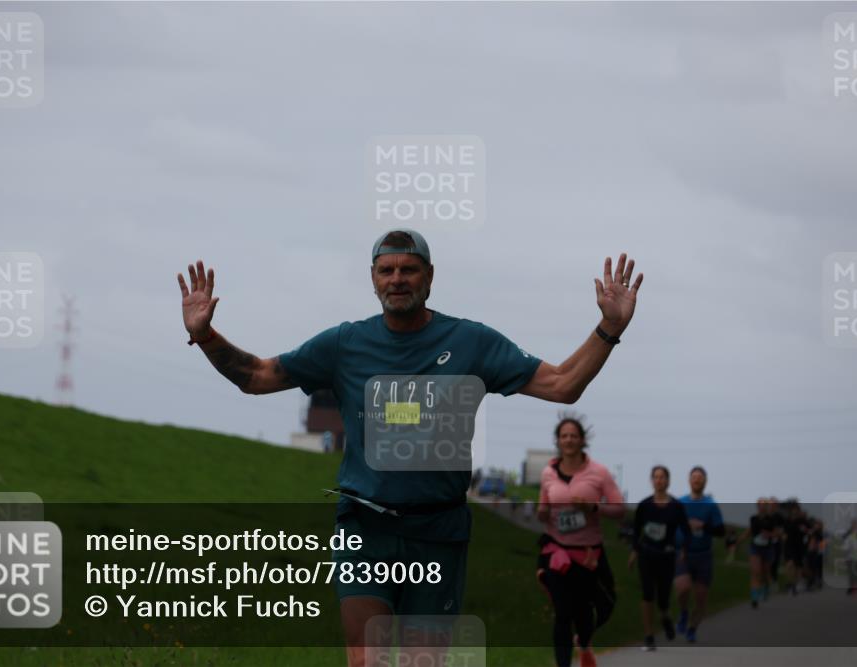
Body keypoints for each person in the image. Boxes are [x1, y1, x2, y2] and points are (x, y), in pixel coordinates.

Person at [177, 229, 644, 667]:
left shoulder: (471, 342)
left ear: (430, 276)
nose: (397, 279)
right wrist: (205, 336)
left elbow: (563, 385)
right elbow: (258, 377)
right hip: (364, 525)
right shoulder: (346, 344)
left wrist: (608, 328)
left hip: (437, 532)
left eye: (409, 269)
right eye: (387, 270)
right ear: (374, 278)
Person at [537, 416, 625, 667]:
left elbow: (619, 510)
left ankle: (584, 642)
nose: (568, 440)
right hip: (557, 552)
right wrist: (542, 512)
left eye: (573, 435)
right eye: (564, 436)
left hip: (589, 556)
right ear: (558, 441)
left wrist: (593, 507)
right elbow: (543, 507)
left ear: (583, 440)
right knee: (563, 614)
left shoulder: (599, 473)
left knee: (595, 611)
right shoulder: (548, 473)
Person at [628, 466, 691, 652]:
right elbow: (636, 530)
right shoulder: (644, 505)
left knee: (663, 597)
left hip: (667, 555)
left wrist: (684, 550)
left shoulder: (676, 507)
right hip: (647, 554)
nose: (659, 480)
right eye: (656, 477)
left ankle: (665, 616)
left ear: (668, 481)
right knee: (648, 594)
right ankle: (648, 636)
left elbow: (686, 531)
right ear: (651, 481)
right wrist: (634, 552)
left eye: (662, 477)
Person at [673, 465, 724, 643]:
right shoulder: (680, 503)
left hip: (704, 555)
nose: (697, 480)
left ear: (705, 481)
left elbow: (721, 531)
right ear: (689, 480)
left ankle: (692, 629)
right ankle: (683, 612)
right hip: (683, 554)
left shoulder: (710, 505)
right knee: (683, 588)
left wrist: (703, 526)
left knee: (701, 599)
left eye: (700, 477)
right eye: (694, 477)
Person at [738, 498, 776, 608]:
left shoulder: (771, 519)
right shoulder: (753, 518)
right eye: (760, 505)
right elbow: (749, 531)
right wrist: (738, 541)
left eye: (764, 505)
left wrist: (769, 534)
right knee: (756, 572)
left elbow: (776, 533)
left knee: (765, 573)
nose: (762, 507)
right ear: (757, 506)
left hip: (767, 548)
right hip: (755, 548)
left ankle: (765, 589)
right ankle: (754, 598)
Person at [781, 501, 810, 595]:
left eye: (796, 509)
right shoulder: (787, 520)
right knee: (789, 565)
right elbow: (784, 532)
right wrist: (783, 537)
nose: (794, 511)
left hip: (799, 546)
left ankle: (795, 584)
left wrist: (806, 531)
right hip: (788, 545)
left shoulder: (802, 521)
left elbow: (809, 531)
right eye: (793, 510)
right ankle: (791, 583)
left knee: (797, 566)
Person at [842, 519, 857, 595]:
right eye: (854, 527)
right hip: (850, 558)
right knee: (851, 573)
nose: (856, 529)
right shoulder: (849, 536)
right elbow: (845, 547)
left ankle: (856, 587)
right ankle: (852, 587)